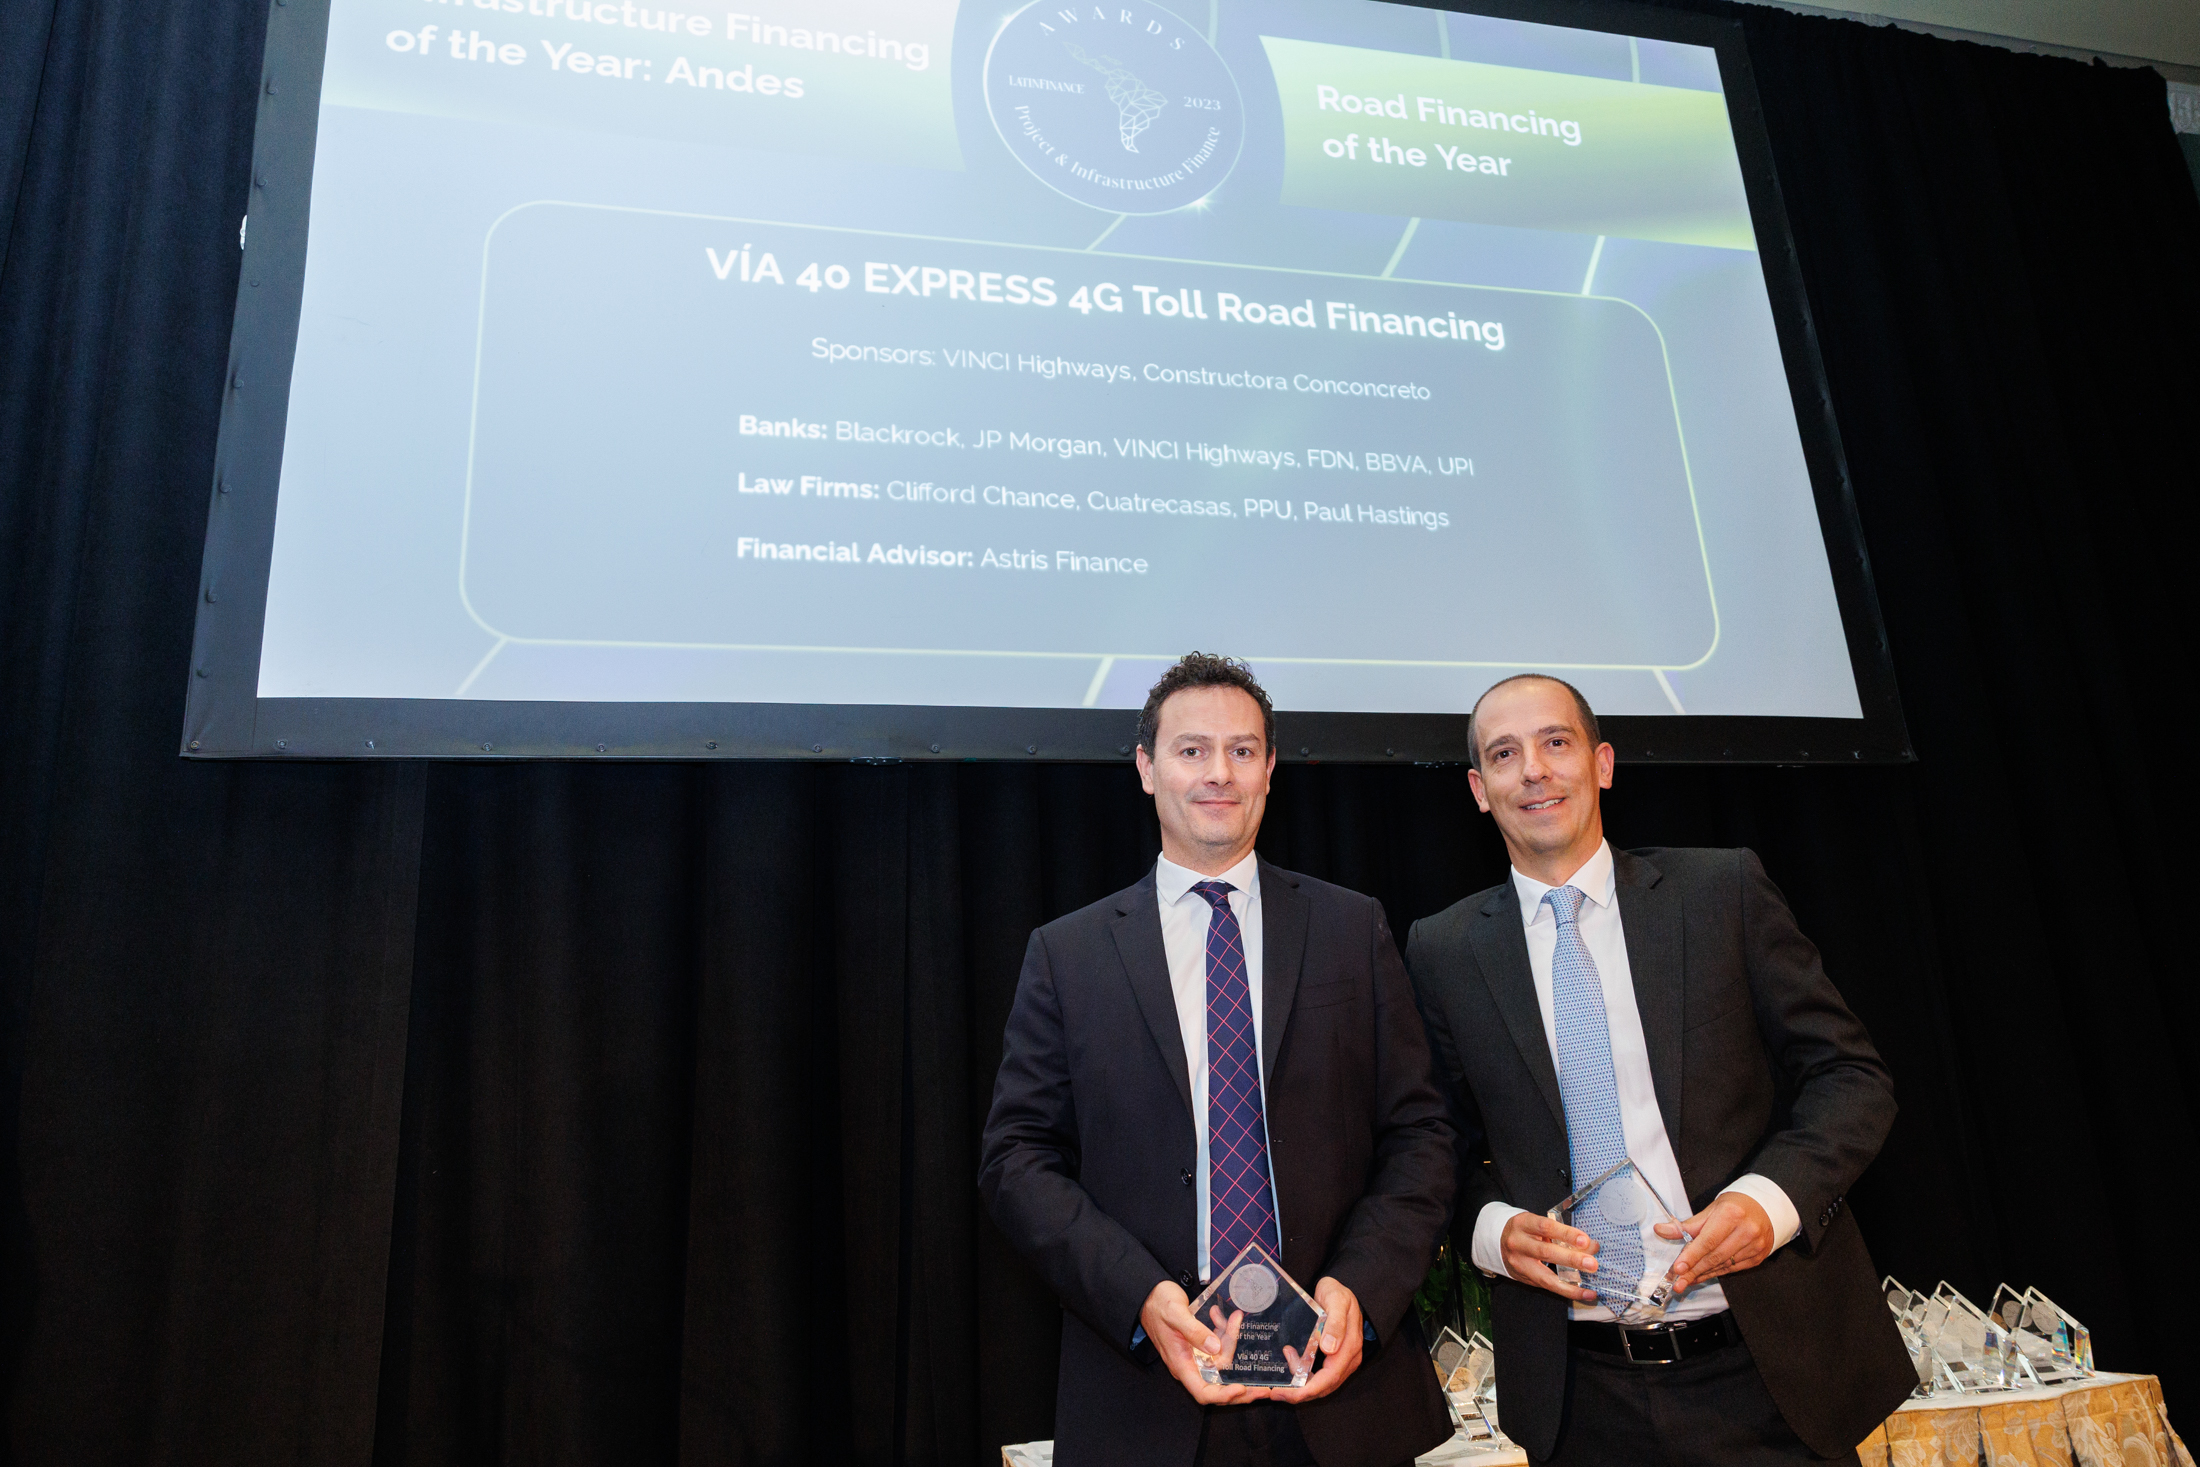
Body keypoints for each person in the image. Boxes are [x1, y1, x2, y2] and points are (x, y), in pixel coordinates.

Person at [1404, 674, 1916, 1466]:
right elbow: (1435, 1141)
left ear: (1602, 763)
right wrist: (1492, 1230)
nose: (1533, 769)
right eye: (1504, 754)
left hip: (1767, 1373)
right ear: (1479, 789)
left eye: (1556, 742)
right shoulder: (1443, 950)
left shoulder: (1720, 891)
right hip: (1580, 1400)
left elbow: (1851, 1075)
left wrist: (1770, 1200)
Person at [980, 653, 1456, 1467]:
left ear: (1270, 769)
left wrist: (1361, 1288)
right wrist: (1140, 1295)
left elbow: (1423, 1134)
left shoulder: (1352, 928)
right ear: (1146, 768)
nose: (1218, 773)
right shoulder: (1068, 954)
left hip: (1339, 1392)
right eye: (1191, 750)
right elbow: (1015, 1160)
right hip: (1144, 1396)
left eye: (1241, 750)